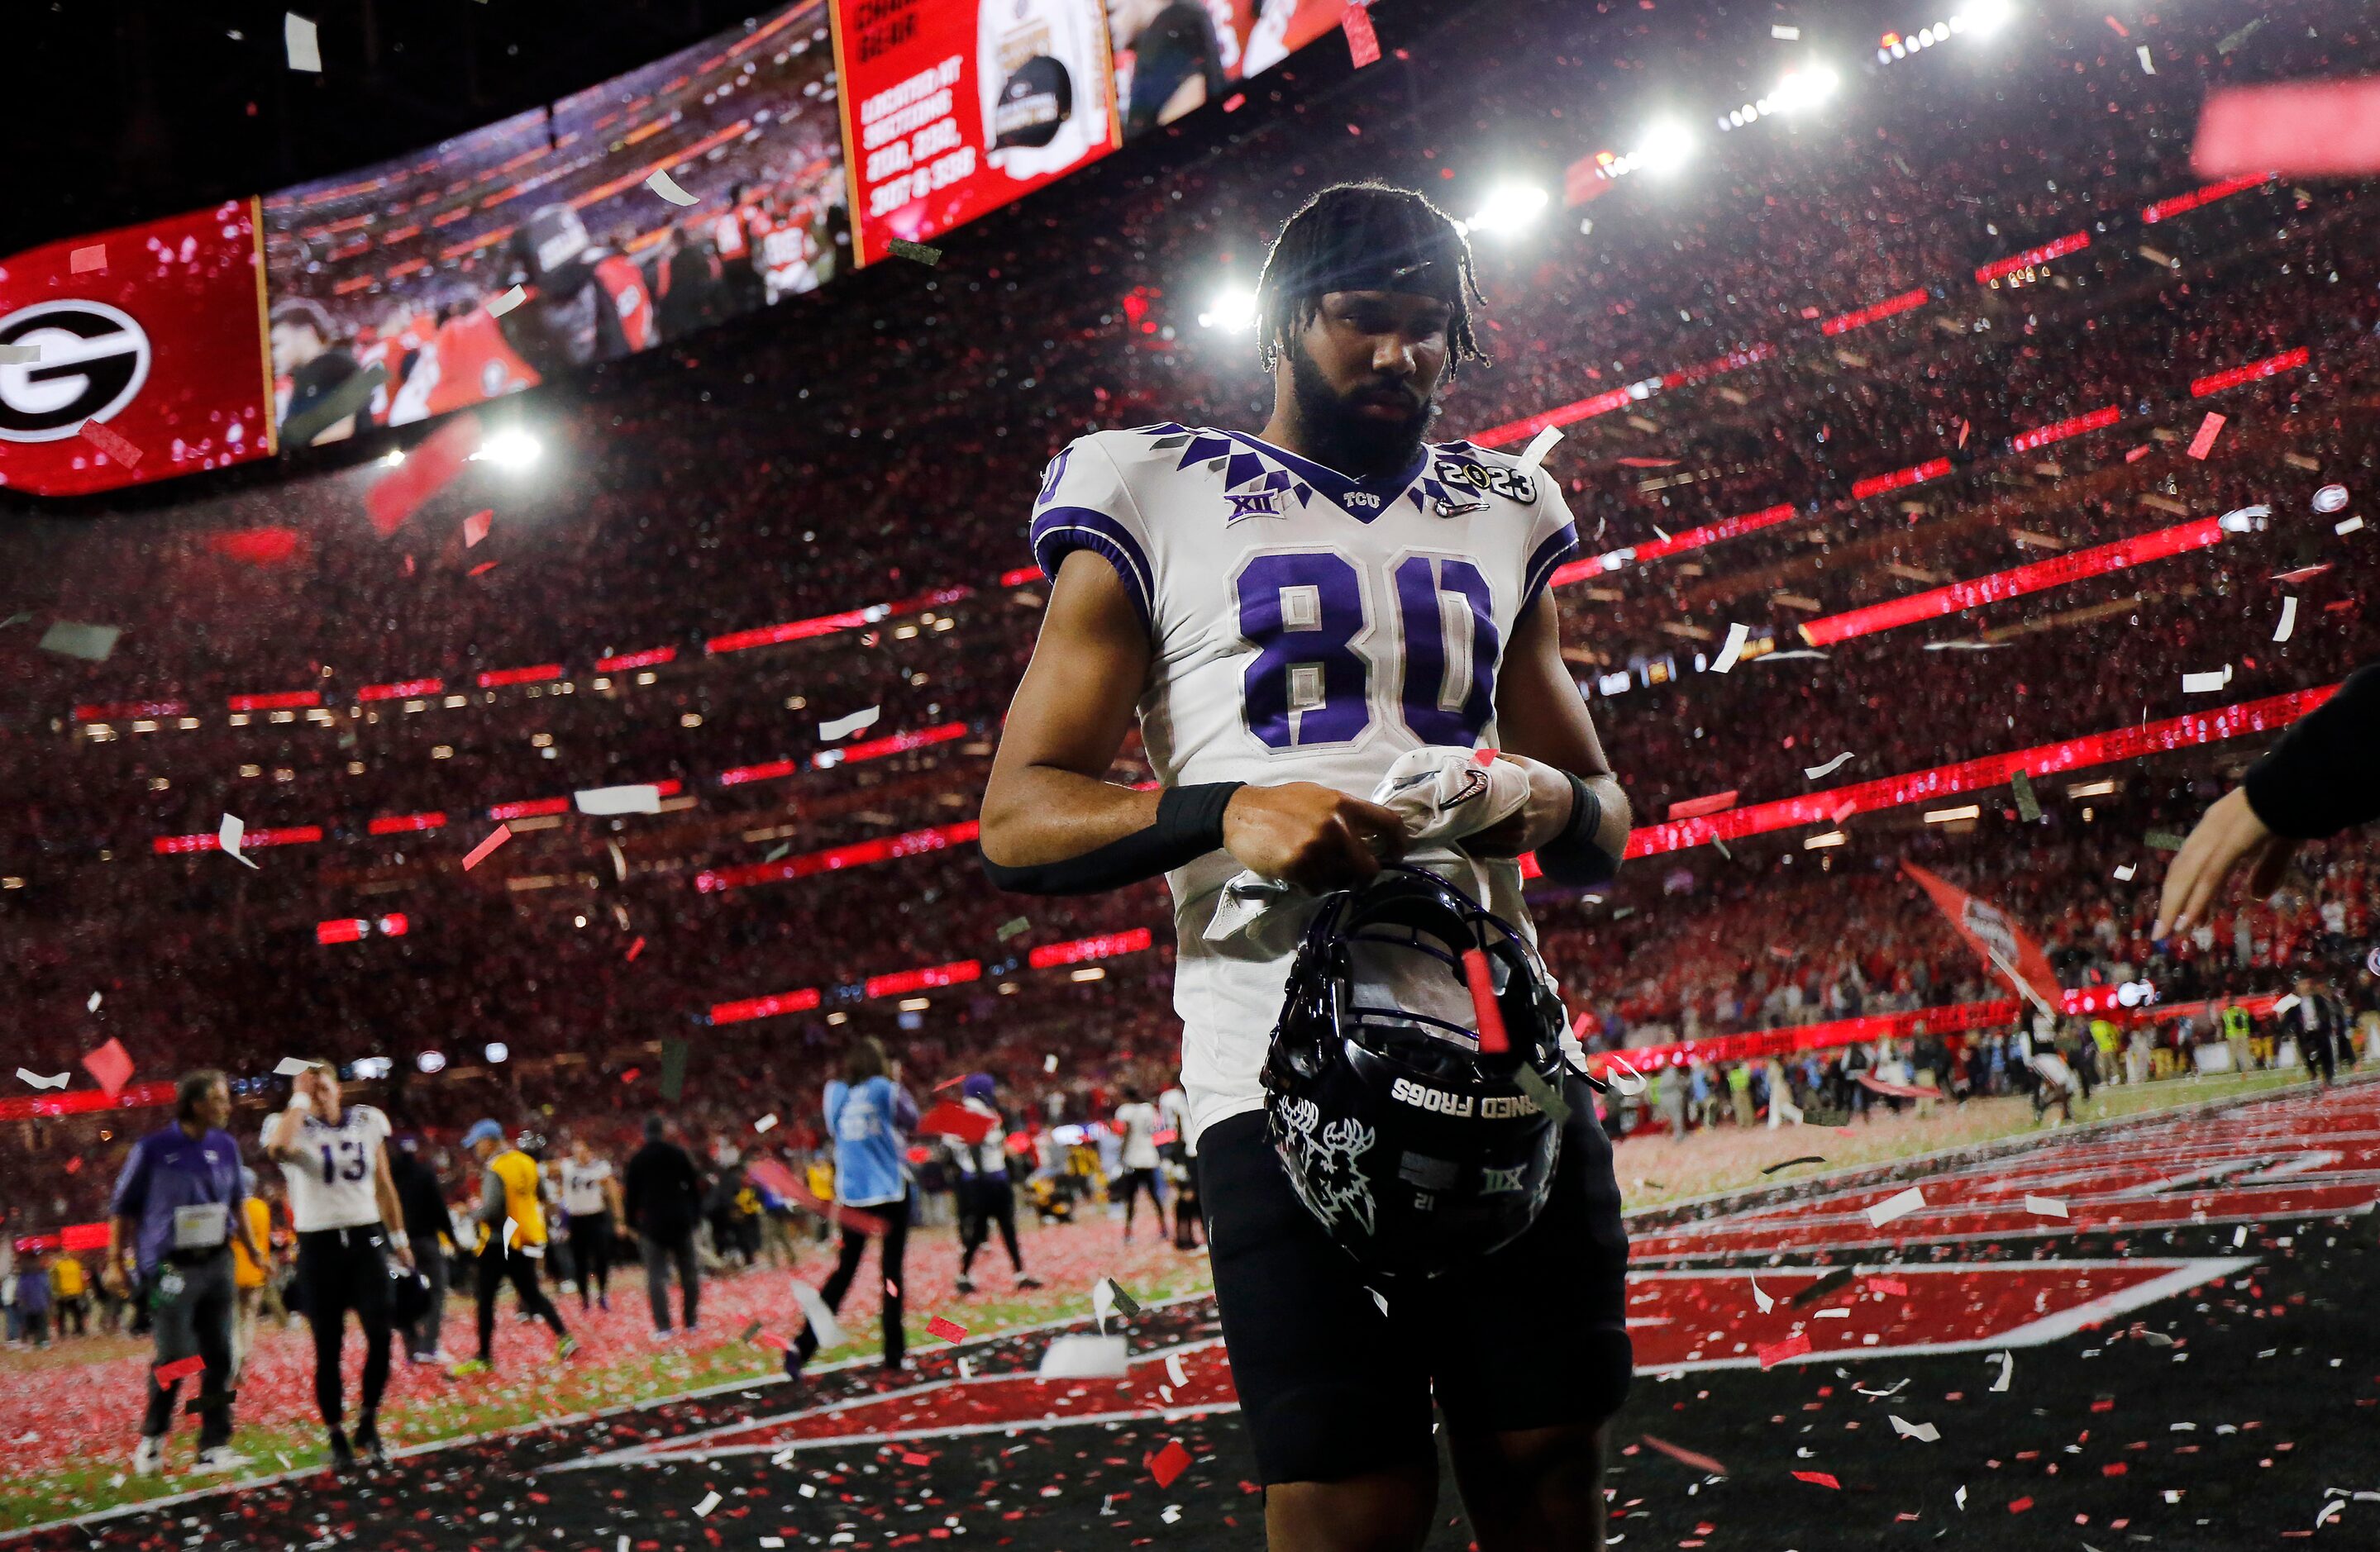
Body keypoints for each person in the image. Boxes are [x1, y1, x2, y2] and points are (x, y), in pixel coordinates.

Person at [976, 183, 1634, 1547]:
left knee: (1542, 1466)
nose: (1398, 356)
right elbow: (1018, 816)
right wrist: (1218, 808)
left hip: (1503, 1051)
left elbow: (1606, 822)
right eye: (1361, 321)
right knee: (1349, 1498)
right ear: (1284, 321)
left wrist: (1540, 791)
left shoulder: (1506, 503)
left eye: (1427, 330)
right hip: (1275, 1070)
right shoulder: (1149, 484)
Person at [109, 1069, 269, 1475]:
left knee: (220, 1358)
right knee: (178, 1356)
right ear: (196, 1103)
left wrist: (252, 1250)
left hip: (217, 1261)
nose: (228, 1106)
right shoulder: (153, 1149)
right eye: (220, 1099)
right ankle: (153, 1438)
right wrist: (115, 1262)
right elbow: (122, 1208)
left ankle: (213, 1445)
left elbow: (237, 1203)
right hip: (169, 1268)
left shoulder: (227, 1146)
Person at [260, 1060, 413, 1471]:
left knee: (381, 1334)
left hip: (366, 1238)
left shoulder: (368, 1120)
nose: (319, 1088)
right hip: (318, 1243)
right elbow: (277, 1149)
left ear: (339, 1085)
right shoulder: (286, 1122)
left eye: (323, 1079)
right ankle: (335, 1434)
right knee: (328, 1347)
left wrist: (398, 1239)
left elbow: (383, 1184)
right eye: (310, 1082)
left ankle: (368, 1422)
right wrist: (299, 1100)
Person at [786, 1038, 917, 1378]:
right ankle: (894, 1354)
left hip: (853, 1197)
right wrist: (897, 1082)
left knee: (843, 1274)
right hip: (889, 1192)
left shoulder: (836, 1094)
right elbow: (912, 1119)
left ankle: (802, 1346)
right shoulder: (885, 1088)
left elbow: (833, 1131)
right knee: (891, 1275)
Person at [448, 1121, 574, 1378]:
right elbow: (540, 1195)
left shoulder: (496, 1168)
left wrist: (472, 1215)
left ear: (490, 1140)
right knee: (531, 1292)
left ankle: (483, 1356)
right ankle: (565, 1337)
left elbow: (493, 1209)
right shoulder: (526, 1162)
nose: (476, 1149)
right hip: (525, 1237)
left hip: (499, 1242)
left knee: (485, 1300)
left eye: (477, 1143)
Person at [952, 1074, 1039, 1293]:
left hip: (976, 1178)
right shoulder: (977, 1111)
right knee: (1005, 1227)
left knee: (980, 1229)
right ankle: (1018, 1273)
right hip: (988, 1178)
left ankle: (965, 1275)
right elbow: (976, 1145)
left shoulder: (964, 1111)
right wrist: (983, 1176)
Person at [624, 1115, 705, 1339]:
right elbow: (694, 1188)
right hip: (680, 1220)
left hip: (652, 1225)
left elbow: (631, 1196)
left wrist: (632, 1223)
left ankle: (664, 1327)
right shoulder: (678, 1154)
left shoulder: (638, 1159)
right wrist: (694, 1215)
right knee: (689, 1274)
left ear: (644, 1133)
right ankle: (691, 1322)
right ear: (663, 1131)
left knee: (656, 1277)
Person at [388, 1136, 455, 1364]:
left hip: (400, 1244)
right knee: (436, 1291)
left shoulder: (390, 1178)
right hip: (426, 1240)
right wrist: (452, 1238)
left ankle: (412, 1348)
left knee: (405, 1295)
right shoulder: (424, 1173)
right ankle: (429, 1346)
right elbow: (439, 1209)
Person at [556, 1135, 623, 1312]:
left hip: (596, 1216)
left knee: (601, 1258)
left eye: (582, 1150)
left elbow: (614, 1193)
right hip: (576, 1219)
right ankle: (584, 1297)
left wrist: (619, 1220)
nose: (579, 1154)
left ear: (589, 1151)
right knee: (580, 1261)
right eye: (576, 1151)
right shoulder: (567, 1166)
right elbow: (547, 1169)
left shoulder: (601, 1167)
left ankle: (602, 1293)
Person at [228, 1168, 274, 1381]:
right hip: (256, 1271)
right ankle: (244, 1355)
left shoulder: (231, 1208)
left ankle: (235, 1361)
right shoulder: (261, 1207)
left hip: (233, 1271)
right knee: (248, 1319)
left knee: (233, 1321)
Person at [1111, 1085, 1165, 1239]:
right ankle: (1164, 1229)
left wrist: (1121, 1155)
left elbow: (1125, 1133)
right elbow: (1155, 1129)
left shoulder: (1124, 1111)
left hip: (1133, 1158)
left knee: (1130, 1198)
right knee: (1155, 1196)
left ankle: (1128, 1233)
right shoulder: (1148, 1109)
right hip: (1149, 1156)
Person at [1157, 1078, 1203, 1249]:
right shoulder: (1173, 1099)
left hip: (1188, 1153)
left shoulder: (1180, 1098)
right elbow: (1173, 1131)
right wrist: (1175, 1158)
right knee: (1187, 1197)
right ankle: (1184, 1238)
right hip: (1184, 1155)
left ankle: (1187, 1237)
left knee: (1193, 1198)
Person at [2277, 972, 2339, 1088]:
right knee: (2309, 1059)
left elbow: (2327, 1014)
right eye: (2301, 985)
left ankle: (2329, 1078)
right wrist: (2282, 1030)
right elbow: (2288, 1021)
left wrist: (2328, 1028)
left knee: (2327, 1056)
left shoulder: (2318, 1000)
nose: (2304, 987)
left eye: (2305, 984)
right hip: (2306, 1036)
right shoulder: (2295, 1007)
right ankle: (2314, 1076)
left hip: (2320, 1033)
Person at [48, 1251, 88, 1339]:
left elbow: (53, 1280)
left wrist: (53, 1292)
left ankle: (62, 1332)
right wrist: (82, 1290)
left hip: (61, 1294)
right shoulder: (76, 1264)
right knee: (76, 1313)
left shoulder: (56, 1266)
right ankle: (79, 1330)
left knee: (61, 1314)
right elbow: (81, 1278)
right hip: (75, 1293)